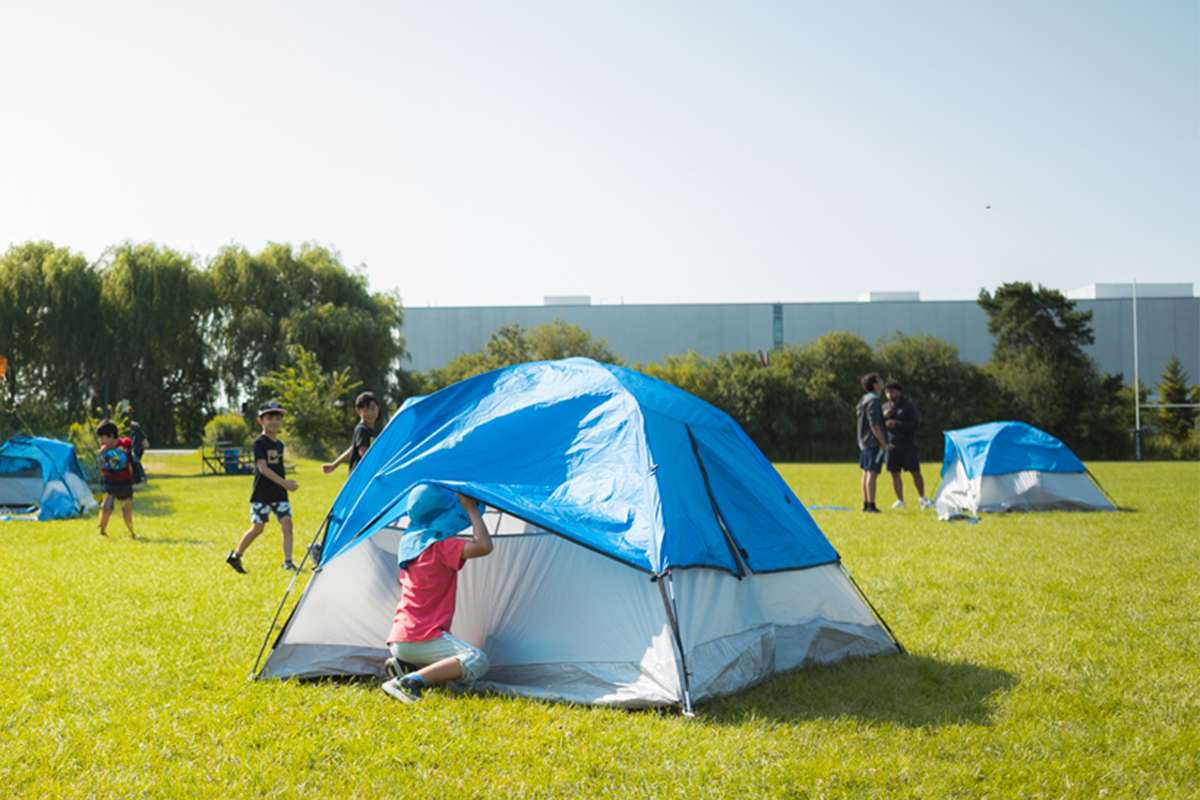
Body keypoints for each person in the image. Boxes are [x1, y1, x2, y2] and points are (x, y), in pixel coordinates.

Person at [381, 485, 494, 704]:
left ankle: (405, 666)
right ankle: (408, 682)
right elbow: (483, 546)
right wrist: (470, 509)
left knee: (456, 668)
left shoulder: (411, 547)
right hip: (422, 638)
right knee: (477, 660)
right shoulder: (441, 548)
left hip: (399, 639)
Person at [225, 400, 299, 574]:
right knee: (258, 528)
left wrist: (283, 485)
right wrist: (285, 483)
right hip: (262, 494)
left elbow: (276, 466)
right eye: (270, 418)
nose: (274, 421)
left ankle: (288, 562)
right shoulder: (260, 443)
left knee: (287, 525)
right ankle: (236, 555)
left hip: (279, 494)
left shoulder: (279, 444)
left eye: (277, 418)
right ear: (261, 421)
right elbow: (263, 468)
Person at [882, 383, 933, 509]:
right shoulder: (884, 407)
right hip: (891, 445)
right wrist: (884, 418)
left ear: (899, 392)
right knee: (894, 473)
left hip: (908, 444)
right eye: (887, 392)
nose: (889, 394)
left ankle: (922, 498)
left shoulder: (908, 406)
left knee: (915, 472)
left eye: (892, 391)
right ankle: (900, 500)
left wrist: (897, 423)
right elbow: (877, 425)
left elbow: (915, 424)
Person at [322, 392, 381, 475]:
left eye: (373, 408)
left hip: (363, 474)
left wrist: (334, 465)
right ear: (358, 411)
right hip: (360, 475)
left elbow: (352, 449)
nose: (370, 413)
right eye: (366, 410)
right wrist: (379, 464)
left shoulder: (371, 431)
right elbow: (363, 452)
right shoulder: (362, 429)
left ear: (378, 408)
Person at [96, 420, 137, 538]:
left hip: (125, 482)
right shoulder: (104, 449)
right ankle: (102, 531)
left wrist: (118, 450)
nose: (101, 441)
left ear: (111, 436)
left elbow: (127, 446)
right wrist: (102, 455)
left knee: (126, 509)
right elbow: (101, 466)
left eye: (103, 438)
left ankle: (132, 532)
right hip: (111, 481)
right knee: (106, 506)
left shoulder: (124, 444)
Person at [855, 372, 888, 513]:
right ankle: (871, 505)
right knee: (872, 473)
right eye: (880, 380)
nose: (882, 382)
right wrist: (883, 442)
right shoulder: (873, 401)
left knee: (866, 472)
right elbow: (874, 424)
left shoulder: (864, 399)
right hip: (873, 442)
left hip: (863, 441)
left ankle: (866, 504)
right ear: (874, 384)